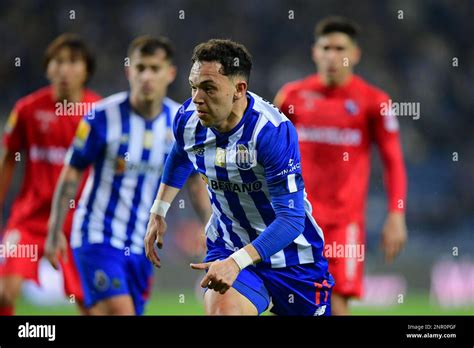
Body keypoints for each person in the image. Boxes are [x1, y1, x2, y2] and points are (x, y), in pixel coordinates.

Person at [144, 39, 334, 316]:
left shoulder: (271, 132)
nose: (197, 98)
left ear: (239, 90)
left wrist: (236, 263)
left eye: (209, 89)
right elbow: (180, 154)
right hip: (229, 244)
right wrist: (159, 210)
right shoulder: (188, 119)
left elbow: (291, 220)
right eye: (194, 87)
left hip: (294, 258)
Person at [46, 36, 210, 315]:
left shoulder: (182, 123)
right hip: (97, 236)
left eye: (155, 68)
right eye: (140, 67)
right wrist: (54, 230)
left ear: (170, 74)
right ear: (128, 71)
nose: (146, 76)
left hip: (142, 245)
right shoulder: (101, 117)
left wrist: (212, 230)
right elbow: (72, 173)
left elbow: (195, 183)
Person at [274, 16, 408, 315]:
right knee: (292, 303)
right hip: (294, 218)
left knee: (336, 302)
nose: (333, 56)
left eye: (340, 48)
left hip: (343, 224)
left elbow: (394, 161)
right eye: (326, 48)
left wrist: (396, 214)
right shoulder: (292, 97)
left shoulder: (374, 102)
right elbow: (269, 153)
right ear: (315, 52)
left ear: (355, 54)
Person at [0, 33, 101, 315]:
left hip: (78, 222)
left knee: (90, 304)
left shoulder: (98, 113)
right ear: (48, 68)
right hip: (30, 218)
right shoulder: (27, 110)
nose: (64, 69)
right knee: (3, 292)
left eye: (72, 62)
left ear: (86, 71)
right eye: (57, 62)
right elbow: (8, 159)